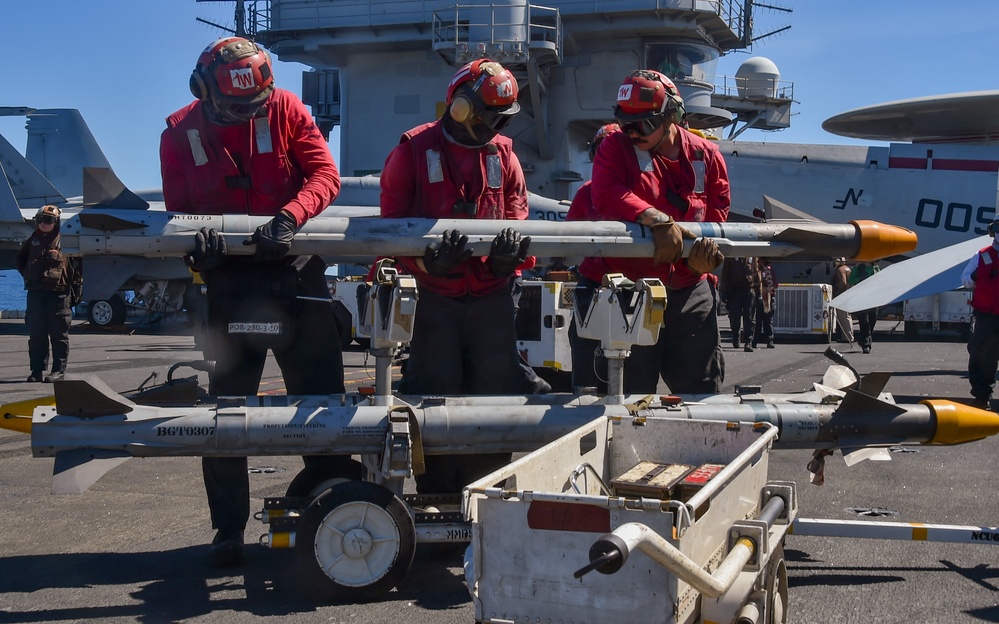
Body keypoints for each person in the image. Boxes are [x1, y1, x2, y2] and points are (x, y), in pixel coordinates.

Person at [159, 37, 344, 567]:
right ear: (204, 91)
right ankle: (227, 531)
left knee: (324, 406)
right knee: (225, 416)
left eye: (253, 107)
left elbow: (324, 175)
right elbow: (177, 214)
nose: (245, 116)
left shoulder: (284, 106)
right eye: (234, 108)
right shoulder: (177, 133)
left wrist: (290, 215)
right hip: (230, 284)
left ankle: (332, 505)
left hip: (295, 272)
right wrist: (201, 254)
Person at [379, 59, 533, 493]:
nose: (497, 127)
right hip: (435, 302)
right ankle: (438, 502)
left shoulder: (503, 154)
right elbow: (390, 228)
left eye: (502, 119)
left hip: (492, 300)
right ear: (462, 107)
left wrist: (509, 263)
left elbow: (518, 214)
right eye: (492, 117)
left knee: (495, 400)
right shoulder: (412, 150)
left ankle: (489, 502)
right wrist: (428, 265)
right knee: (434, 397)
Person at [570, 69, 728, 395]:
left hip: (688, 288)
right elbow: (606, 193)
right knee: (622, 395)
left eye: (641, 125)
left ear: (671, 117)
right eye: (624, 122)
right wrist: (657, 219)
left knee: (700, 395)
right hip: (626, 288)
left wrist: (702, 265)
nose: (630, 133)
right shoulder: (616, 147)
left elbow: (718, 211)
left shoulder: (706, 156)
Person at [15, 205, 82, 383]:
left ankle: (58, 370)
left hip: (58, 294)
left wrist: (76, 290)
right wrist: (28, 275)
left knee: (59, 334)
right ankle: (37, 370)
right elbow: (20, 259)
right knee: (36, 333)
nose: (44, 224)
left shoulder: (65, 240)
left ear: (56, 222)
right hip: (36, 292)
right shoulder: (34, 239)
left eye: (48, 220)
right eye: (41, 220)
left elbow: (78, 265)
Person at [961, 218, 999, 409]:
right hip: (986, 316)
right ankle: (982, 397)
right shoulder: (982, 255)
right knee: (981, 355)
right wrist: (975, 276)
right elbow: (965, 278)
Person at [566, 123, 620, 221]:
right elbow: (570, 231)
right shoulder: (586, 191)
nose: (607, 154)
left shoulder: (640, 187)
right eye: (601, 149)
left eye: (614, 148)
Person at [719, 257, 759, 351]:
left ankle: (748, 342)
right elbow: (725, 274)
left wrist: (758, 292)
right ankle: (735, 335)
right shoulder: (731, 257)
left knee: (749, 318)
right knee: (734, 316)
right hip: (734, 291)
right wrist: (723, 291)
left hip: (749, 291)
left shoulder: (752, 256)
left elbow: (756, 273)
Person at [848, 261, 879, 354]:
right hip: (861, 298)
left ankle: (863, 339)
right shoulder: (858, 268)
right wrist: (860, 279)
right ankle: (866, 344)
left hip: (873, 297)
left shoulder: (876, 268)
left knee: (873, 318)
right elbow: (850, 281)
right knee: (864, 320)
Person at [754, 257, 778, 349]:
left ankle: (767, 340)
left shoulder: (766, 271)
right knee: (761, 321)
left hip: (768, 298)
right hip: (761, 297)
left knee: (765, 321)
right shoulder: (758, 272)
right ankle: (760, 341)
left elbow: (774, 285)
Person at [831, 258, 854, 344]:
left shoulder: (840, 270)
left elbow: (842, 283)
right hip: (848, 295)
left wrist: (834, 287)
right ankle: (848, 335)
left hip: (841, 296)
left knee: (843, 316)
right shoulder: (847, 268)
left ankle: (847, 337)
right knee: (847, 316)